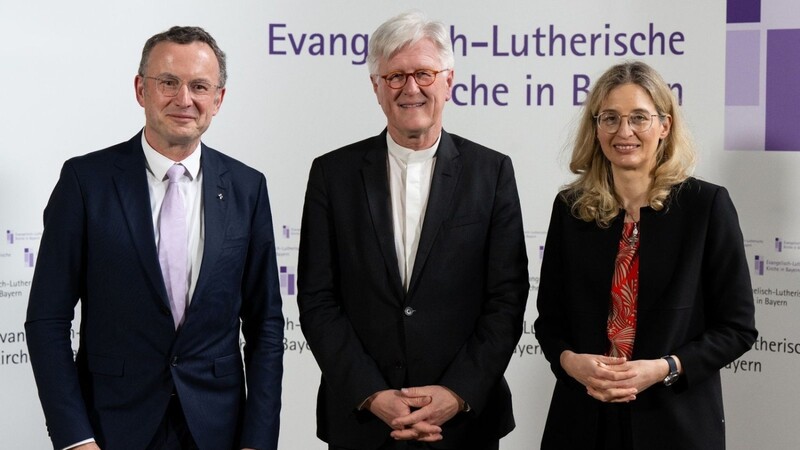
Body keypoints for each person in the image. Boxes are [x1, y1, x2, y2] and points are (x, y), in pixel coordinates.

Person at [25, 26, 284, 450]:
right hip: (110, 430)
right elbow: (47, 319)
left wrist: (258, 441)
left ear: (218, 100)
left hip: (218, 430)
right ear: (141, 89)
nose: (184, 99)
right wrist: (75, 439)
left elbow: (266, 325)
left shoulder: (247, 187)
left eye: (200, 86)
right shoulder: (85, 182)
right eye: (169, 82)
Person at [297, 10, 529, 450]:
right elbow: (317, 298)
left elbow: (507, 297)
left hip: (463, 424)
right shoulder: (333, 174)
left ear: (448, 81)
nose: (411, 88)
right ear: (376, 87)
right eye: (396, 75)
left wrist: (457, 393)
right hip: (363, 423)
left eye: (424, 73)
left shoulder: (492, 172)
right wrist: (372, 394)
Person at [534, 60, 757, 450]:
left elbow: (737, 328)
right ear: (595, 126)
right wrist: (571, 363)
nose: (624, 132)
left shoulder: (706, 206)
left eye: (639, 117)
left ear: (664, 126)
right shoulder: (571, 208)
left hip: (674, 422)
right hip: (583, 421)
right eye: (610, 118)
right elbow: (550, 322)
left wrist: (664, 368)